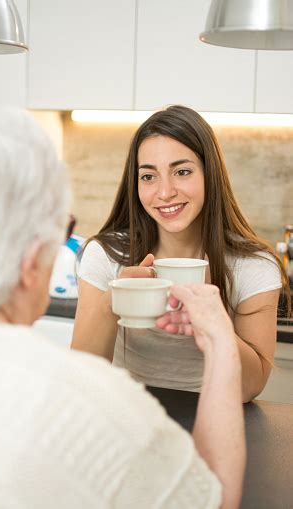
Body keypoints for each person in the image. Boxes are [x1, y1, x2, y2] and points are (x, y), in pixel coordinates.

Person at [0, 97, 245, 508]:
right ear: (29, 261)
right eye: (62, 228)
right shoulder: (95, 409)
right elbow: (214, 500)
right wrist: (219, 342)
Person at [72, 104, 290, 402]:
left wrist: (214, 324)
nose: (164, 192)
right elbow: (82, 378)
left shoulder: (253, 266)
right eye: (148, 176)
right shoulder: (106, 255)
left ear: (209, 174)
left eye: (182, 171)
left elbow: (249, 389)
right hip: (131, 421)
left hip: (218, 424)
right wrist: (113, 300)